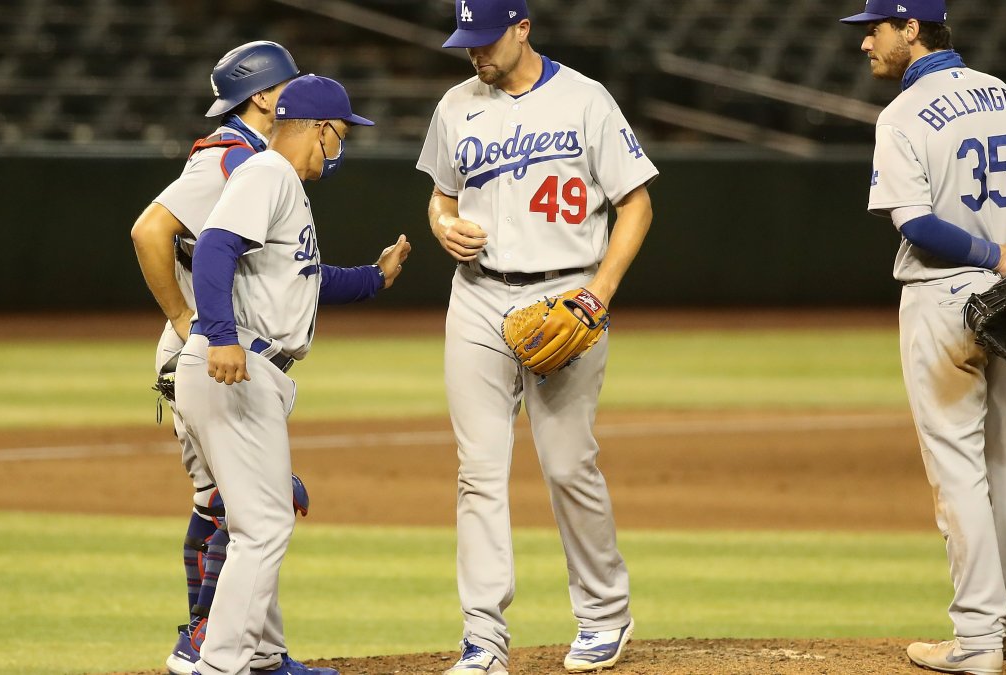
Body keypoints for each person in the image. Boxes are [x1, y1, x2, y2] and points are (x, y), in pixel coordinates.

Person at [416, 1, 658, 672]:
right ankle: (484, 637)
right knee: (479, 471)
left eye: (486, 38)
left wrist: (598, 292)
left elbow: (635, 202)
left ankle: (606, 610)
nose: (475, 52)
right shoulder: (455, 106)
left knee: (566, 461)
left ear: (524, 27)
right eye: (467, 41)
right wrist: (442, 224)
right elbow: (440, 195)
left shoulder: (586, 99)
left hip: (568, 292)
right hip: (477, 296)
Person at [839, 2, 1006, 673]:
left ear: (911, 29)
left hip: (945, 302)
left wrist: (994, 254)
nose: (866, 44)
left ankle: (975, 639)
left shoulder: (903, 115)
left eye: (873, 30)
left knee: (958, 471)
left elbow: (914, 224)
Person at [174, 73, 411, 675]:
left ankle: (262, 657)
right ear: (320, 128)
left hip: (249, 367)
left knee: (263, 515)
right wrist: (222, 336)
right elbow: (213, 249)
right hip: (236, 363)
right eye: (341, 134)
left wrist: (374, 278)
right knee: (263, 527)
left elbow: (303, 280)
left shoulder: (278, 184)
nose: (341, 147)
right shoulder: (268, 174)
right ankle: (221, 665)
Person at [129, 40, 313, 675]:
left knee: (235, 503)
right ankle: (203, 642)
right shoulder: (232, 157)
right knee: (231, 506)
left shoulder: (260, 159)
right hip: (209, 350)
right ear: (264, 96)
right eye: (290, 84)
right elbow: (149, 230)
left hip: (218, 347)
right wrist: (187, 324)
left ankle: (251, 650)